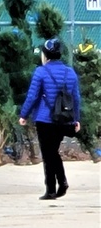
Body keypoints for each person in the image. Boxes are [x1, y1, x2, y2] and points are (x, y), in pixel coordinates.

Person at [19, 38, 81, 200]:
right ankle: (62, 182)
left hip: (45, 120)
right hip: (64, 120)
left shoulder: (41, 72)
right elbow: (76, 98)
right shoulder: (70, 72)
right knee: (53, 152)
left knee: (48, 154)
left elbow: (32, 96)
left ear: (45, 55)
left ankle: (51, 189)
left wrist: (24, 115)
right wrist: (76, 119)